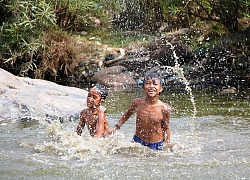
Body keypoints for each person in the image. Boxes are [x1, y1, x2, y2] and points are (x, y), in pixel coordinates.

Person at [105, 73, 171, 150]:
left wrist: (168, 144)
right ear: (143, 88)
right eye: (148, 83)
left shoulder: (164, 109)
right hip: (138, 141)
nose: (151, 86)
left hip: (155, 144)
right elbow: (128, 113)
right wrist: (116, 127)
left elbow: (165, 128)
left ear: (161, 89)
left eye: (155, 84)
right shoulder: (137, 102)